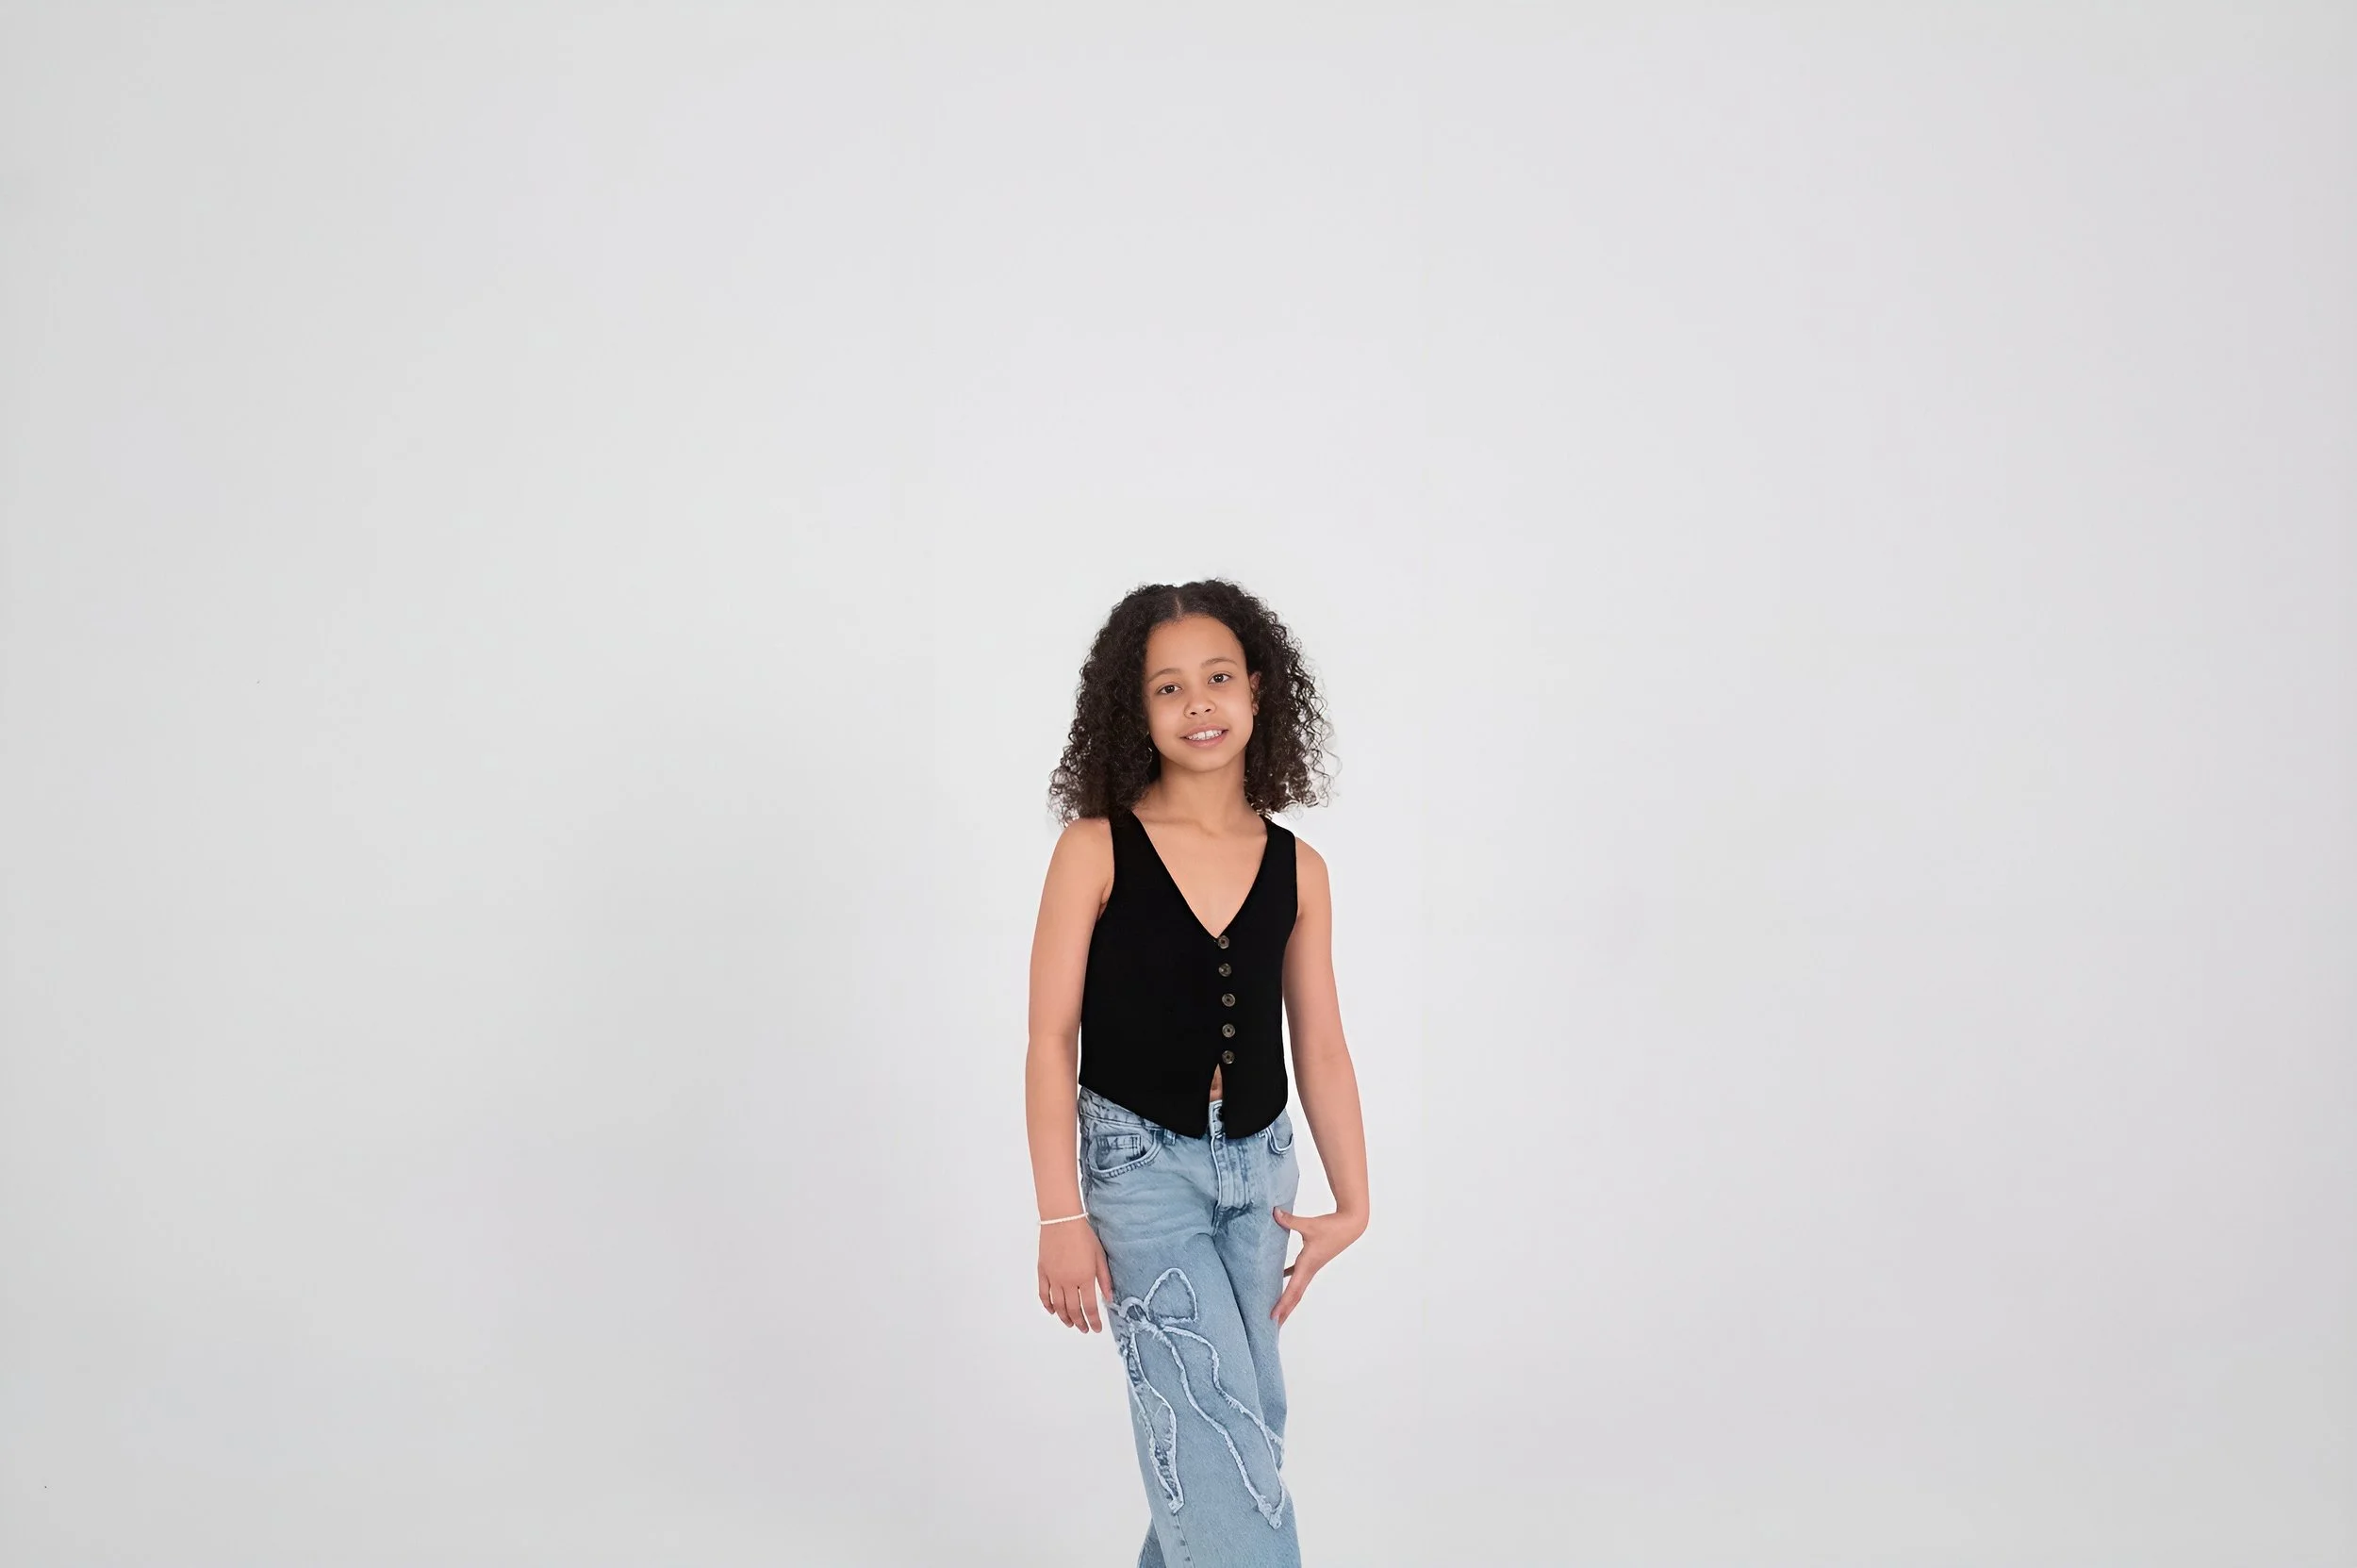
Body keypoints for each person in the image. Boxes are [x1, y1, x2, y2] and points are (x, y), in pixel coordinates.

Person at [1024, 579, 1371, 1567]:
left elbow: (1323, 1045)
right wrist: (1060, 1214)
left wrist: (1352, 1199)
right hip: (1139, 1174)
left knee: (1238, 1427)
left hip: (1261, 1173)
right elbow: (1049, 1040)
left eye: (1218, 678)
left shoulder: (1297, 867)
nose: (1198, 704)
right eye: (1167, 688)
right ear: (1133, 712)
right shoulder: (1095, 850)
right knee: (1221, 1444)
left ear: (1259, 691)